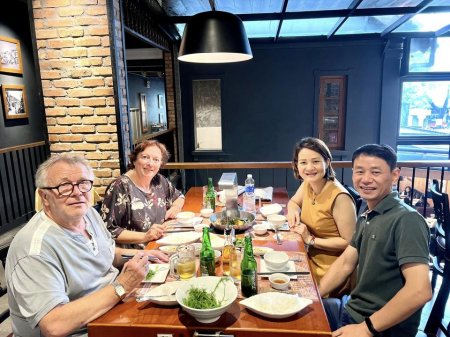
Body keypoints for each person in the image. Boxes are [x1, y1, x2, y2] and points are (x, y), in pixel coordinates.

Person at [5, 154, 169, 336]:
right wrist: (122, 286)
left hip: (112, 312)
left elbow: (106, 252)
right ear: (45, 196)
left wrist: (145, 255)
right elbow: (54, 325)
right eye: (64, 186)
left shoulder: (88, 214)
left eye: (84, 183)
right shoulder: (34, 249)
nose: (77, 192)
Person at [319, 144, 432, 337]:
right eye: (359, 172)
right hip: (353, 310)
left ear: (395, 175)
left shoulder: (407, 219)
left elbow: (420, 290)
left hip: (381, 327)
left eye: (376, 172)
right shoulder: (369, 212)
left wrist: (365, 329)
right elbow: (346, 262)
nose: (366, 179)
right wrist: (314, 295)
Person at [286, 137, 357, 296]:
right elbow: (293, 202)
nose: (309, 168)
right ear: (297, 165)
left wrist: (310, 240)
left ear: (327, 162)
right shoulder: (308, 184)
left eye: (315, 161)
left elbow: (350, 243)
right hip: (308, 257)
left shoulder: (340, 198)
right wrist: (293, 212)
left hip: (331, 271)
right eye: (303, 162)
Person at [102, 140, 185, 248]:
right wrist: (145, 236)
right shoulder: (120, 187)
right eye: (145, 157)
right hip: (135, 254)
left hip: (160, 243)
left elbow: (179, 196)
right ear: (134, 160)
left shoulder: (159, 181)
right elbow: (108, 230)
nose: (150, 163)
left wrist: (176, 207)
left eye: (156, 160)